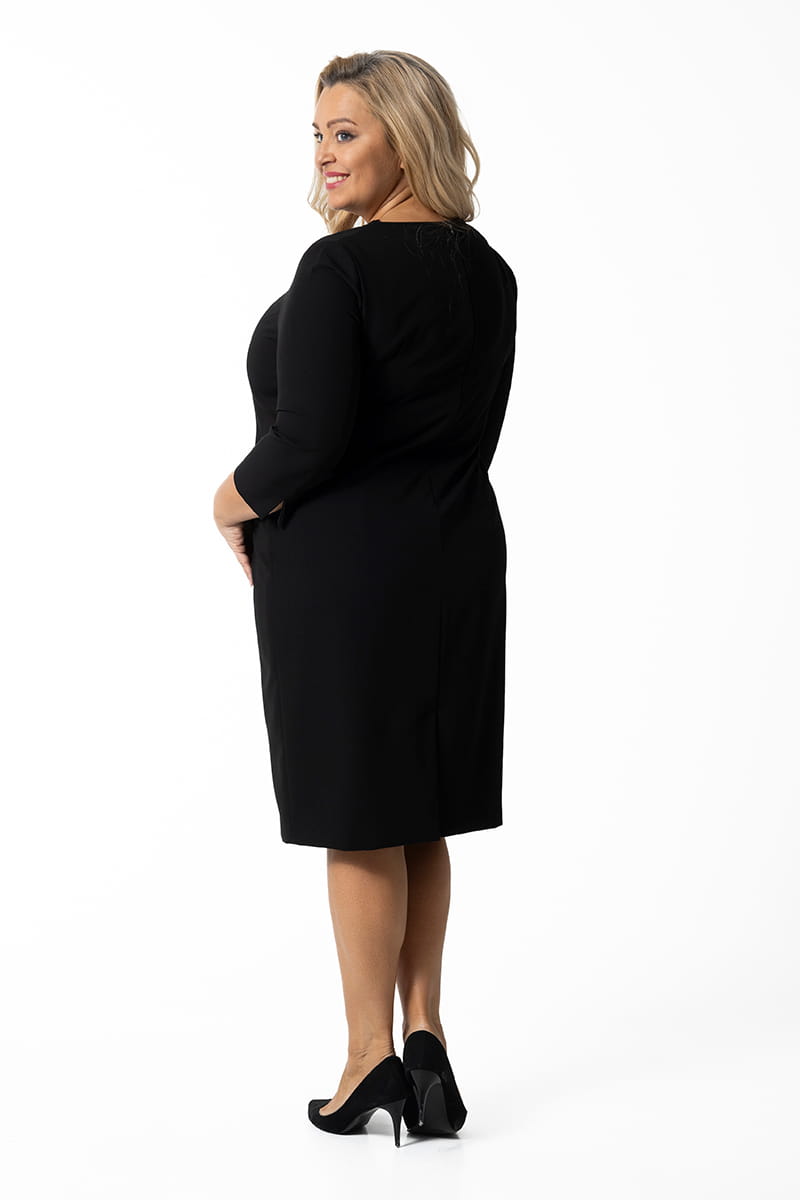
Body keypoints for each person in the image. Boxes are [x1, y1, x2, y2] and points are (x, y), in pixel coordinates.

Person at [213, 50, 517, 1146]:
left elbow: (308, 442)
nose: (324, 154)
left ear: (404, 133)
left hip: (343, 574)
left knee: (359, 818)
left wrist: (227, 501)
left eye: (345, 132)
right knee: (420, 807)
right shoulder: (488, 272)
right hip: (454, 559)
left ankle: (364, 1062)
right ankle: (425, 1043)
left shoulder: (337, 270)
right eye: (317, 134)